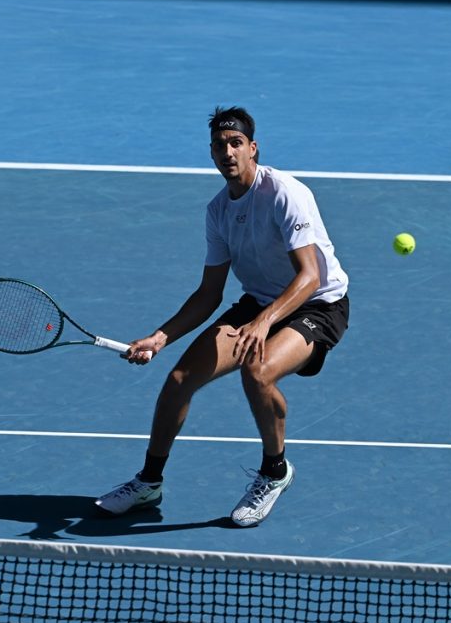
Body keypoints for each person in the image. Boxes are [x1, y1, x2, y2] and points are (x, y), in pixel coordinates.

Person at [95, 106, 350, 527]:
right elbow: (208, 294)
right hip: (261, 302)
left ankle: (274, 472)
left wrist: (265, 322)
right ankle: (149, 481)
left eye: (236, 144)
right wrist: (160, 337)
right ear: (211, 154)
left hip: (318, 304)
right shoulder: (218, 212)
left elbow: (310, 276)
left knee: (258, 370)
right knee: (179, 380)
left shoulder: (284, 193)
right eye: (219, 145)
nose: (228, 152)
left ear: (253, 149)